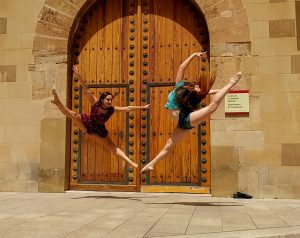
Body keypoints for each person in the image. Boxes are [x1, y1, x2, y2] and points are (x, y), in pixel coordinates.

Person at [141, 52, 242, 173]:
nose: (200, 88)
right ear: (191, 87)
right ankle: (151, 164)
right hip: (182, 124)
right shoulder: (179, 88)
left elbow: (209, 92)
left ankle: (231, 82)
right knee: (169, 145)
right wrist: (193, 55)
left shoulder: (192, 97)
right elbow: (182, 67)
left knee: (212, 107)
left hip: (186, 119)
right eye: (198, 86)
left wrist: (227, 88)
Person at [51, 65, 150, 168]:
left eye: (111, 99)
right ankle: (57, 102)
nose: (110, 101)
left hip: (99, 131)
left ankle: (129, 162)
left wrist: (142, 107)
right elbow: (85, 88)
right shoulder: (95, 102)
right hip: (87, 124)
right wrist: (78, 76)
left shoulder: (112, 109)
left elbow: (128, 108)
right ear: (102, 100)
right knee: (74, 115)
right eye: (108, 99)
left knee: (112, 146)